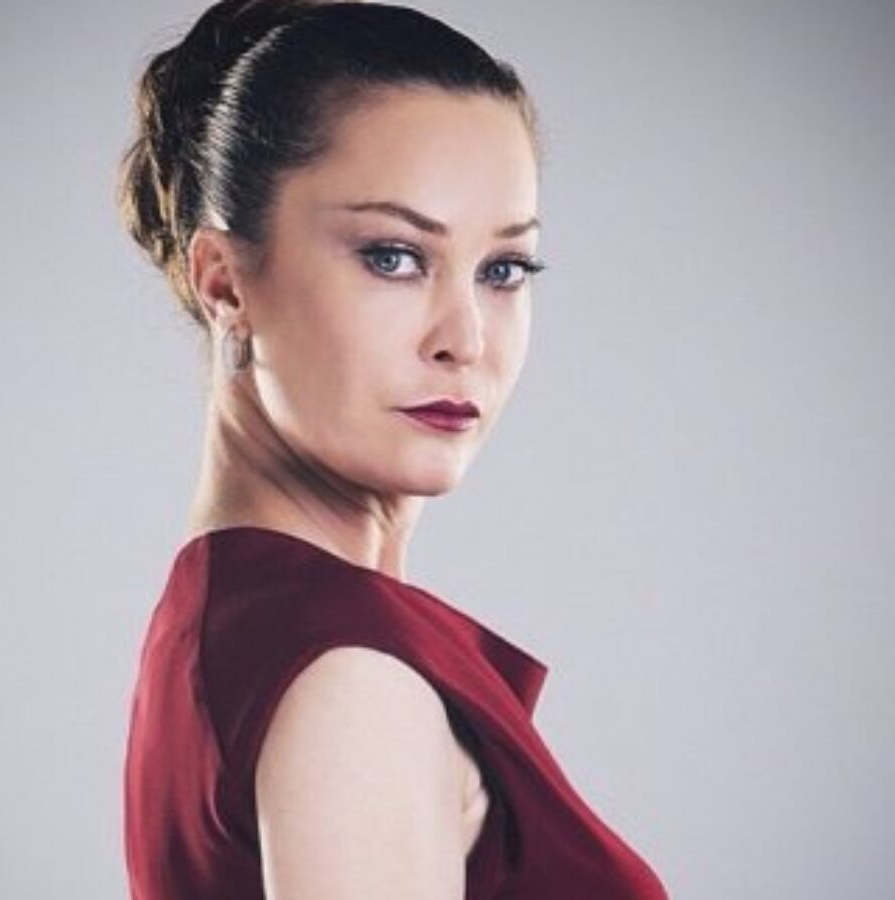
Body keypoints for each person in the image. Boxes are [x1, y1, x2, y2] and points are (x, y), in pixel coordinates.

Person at [118, 1, 669, 896]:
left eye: (503, 270)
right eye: (394, 257)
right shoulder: (348, 678)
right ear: (224, 284)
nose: (465, 339)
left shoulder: (237, 625)